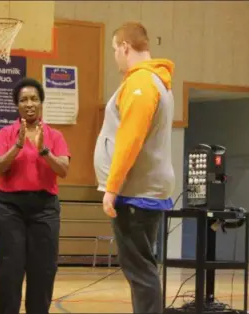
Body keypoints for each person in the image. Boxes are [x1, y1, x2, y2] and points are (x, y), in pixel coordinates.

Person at [93, 22, 176, 313]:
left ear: (125, 48)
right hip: (143, 190)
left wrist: (112, 188)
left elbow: (130, 139)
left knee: (140, 272)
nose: (115, 55)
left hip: (135, 192)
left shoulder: (141, 83)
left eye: (115, 49)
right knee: (142, 269)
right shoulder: (154, 81)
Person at [0, 77, 71, 314]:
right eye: (23, 99)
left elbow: (63, 169)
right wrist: (16, 146)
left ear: (41, 102)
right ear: (17, 105)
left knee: (43, 270)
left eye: (34, 98)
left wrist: (44, 150)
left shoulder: (54, 135)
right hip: (9, 208)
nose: (29, 104)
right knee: (9, 270)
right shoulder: (6, 133)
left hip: (44, 208)